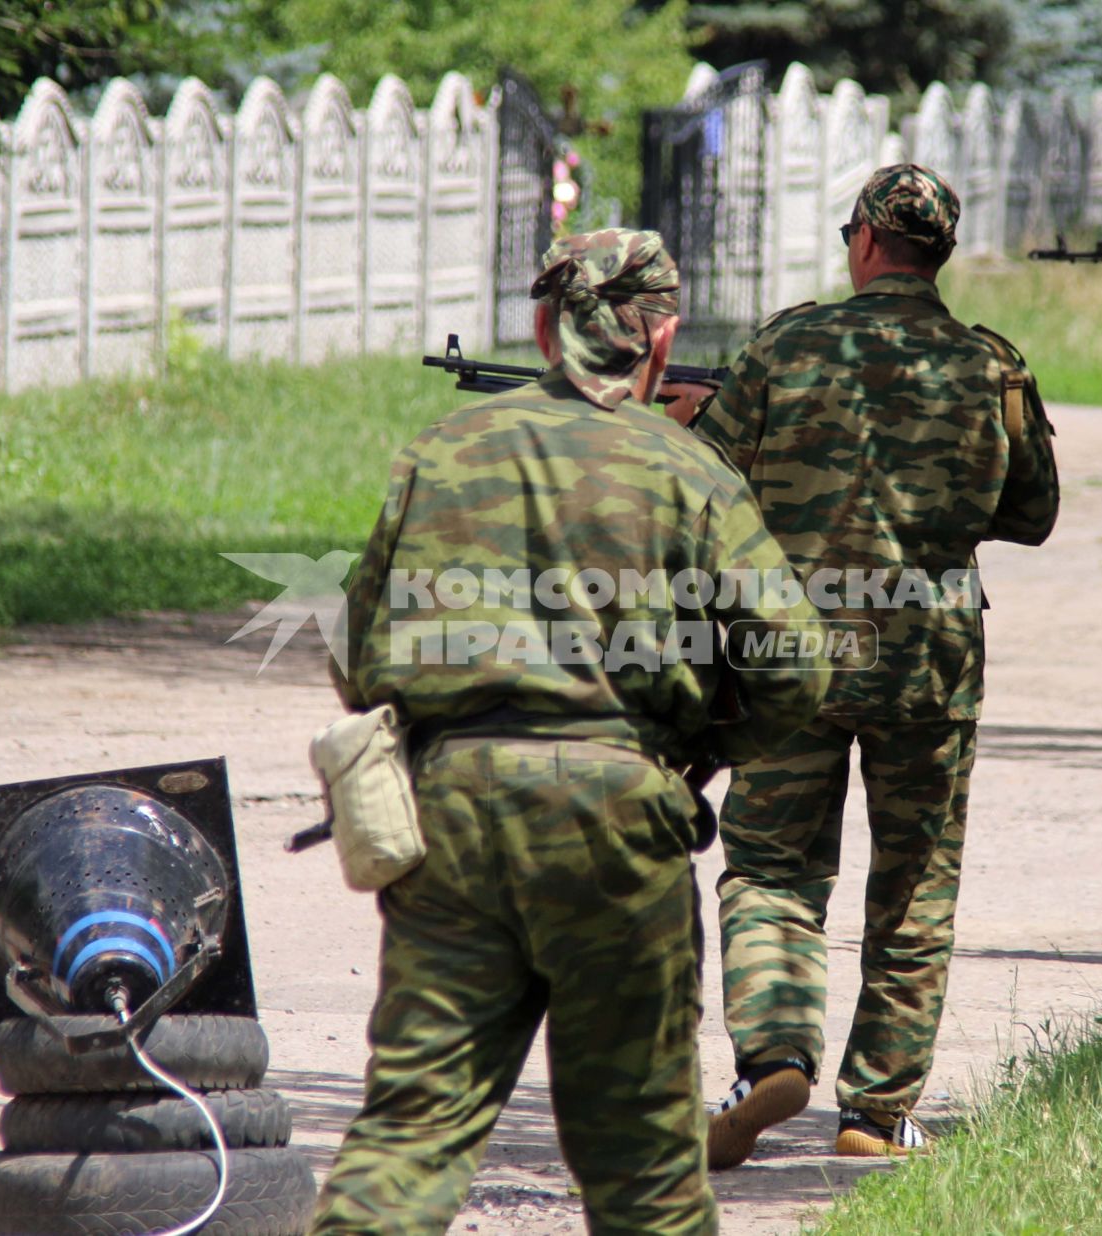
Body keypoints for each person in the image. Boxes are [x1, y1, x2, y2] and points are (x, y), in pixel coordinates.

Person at [309, 229, 831, 1235]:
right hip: (619, 819)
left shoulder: (438, 451)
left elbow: (356, 656)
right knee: (644, 1166)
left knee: (408, 1134)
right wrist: (702, 750)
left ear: (546, 329)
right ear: (662, 340)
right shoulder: (693, 471)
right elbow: (793, 663)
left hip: (451, 819)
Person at [678, 164, 1060, 1163]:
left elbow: (706, 484)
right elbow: (1032, 515)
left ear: (863, 243)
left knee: (768, 865)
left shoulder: (787, 345)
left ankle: (771, 1060)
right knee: (914, 884)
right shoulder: (991, 366)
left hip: (793, 649)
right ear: (938, 253)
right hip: (928, 656)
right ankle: (875, 1115)